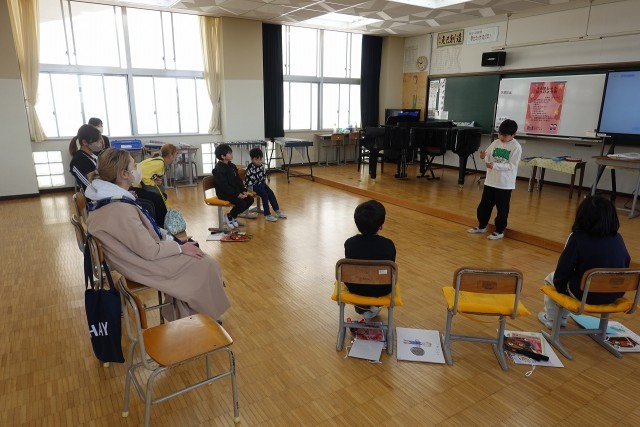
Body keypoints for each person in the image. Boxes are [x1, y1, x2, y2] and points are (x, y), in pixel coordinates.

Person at [85, 148, 230, 322]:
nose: (138, 168)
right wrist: (179, 248)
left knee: (198, 257)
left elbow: (142, 236)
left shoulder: (108, 201)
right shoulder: (119, 209)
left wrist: (174, 240)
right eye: (134, 165)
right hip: (141, 264)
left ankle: (192, 313)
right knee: (205, 263)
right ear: (124, 174)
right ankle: (203, 316)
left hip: (135, 257)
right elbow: (149, 250)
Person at [538, 195, 631, 328]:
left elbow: (563, 269)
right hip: (615, 293)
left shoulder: (578, 237)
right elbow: (625, 262)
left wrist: (562, 289)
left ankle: (553, 319)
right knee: (571, 281)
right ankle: (562, 317)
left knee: (551, 279)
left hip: (587, 294)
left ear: (582, 215)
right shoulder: (618, 238)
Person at [468, 119, 522, 240]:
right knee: (484, 206)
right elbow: (487, 156)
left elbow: (512, 165)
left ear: (513, 135)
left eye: (505, 136)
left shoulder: (516, 147)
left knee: (502, 209)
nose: (501, 137)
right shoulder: (496, 142)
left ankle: (499, 231)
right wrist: (483, 157)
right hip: (490, 181)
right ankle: (482, 226)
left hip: (504, 184)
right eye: (500, 134)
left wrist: (495, 165)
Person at [344, 200, 396, 320]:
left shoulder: (350, 243)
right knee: (379, 277)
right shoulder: (388, 245)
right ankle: (373, 306)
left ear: (357, 224)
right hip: (382, 288)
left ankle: (363, 307)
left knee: (362, 278)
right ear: (381, 225)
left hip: (355, 287)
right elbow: (390, 270)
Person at [132, 143, 178, 227]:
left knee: (163, 195)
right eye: (175, 155)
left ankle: (161, 221)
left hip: (137, 185)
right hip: (134, 187)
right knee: (158, 199)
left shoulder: (159, 161)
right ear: (170, 155)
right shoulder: (159, 163)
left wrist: (155, 180)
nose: (176, 157)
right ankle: (161, 224)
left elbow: (148, 173)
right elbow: (144, 176)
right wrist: (153, 183)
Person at [212, 144, 254, 230]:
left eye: (231, 152)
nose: (231, 154)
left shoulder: (232, 166)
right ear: (223, 156)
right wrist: (237, 194)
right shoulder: (219, 169)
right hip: (224, 193)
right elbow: (224, 186)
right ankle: (231, 216)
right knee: (241, 203)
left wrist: (243, 190)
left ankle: (232, 215)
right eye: (229, 153)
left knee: (250, 199)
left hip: (234, 191)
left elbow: (238, 180)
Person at [245, 147, 286, 222]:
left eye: (260, 159)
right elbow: (248, 181)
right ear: (251, 159)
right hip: (254, 186)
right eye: (256, 159)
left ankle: (277, 211)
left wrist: (264, 185)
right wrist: (251, 191)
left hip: (262, 184)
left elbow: (264, 176)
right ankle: (267, 214)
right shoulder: (250, 168)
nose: (259, 161)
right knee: (265, 195)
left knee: (271, 193)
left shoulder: (261, 166)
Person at [69, 124, 103, 191]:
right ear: (85, 142)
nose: (100, 142)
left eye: (100, 140)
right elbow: (92, 186)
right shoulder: (78, 160)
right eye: (97, 141)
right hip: (95, 195)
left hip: (105, 190)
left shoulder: (93, 155)